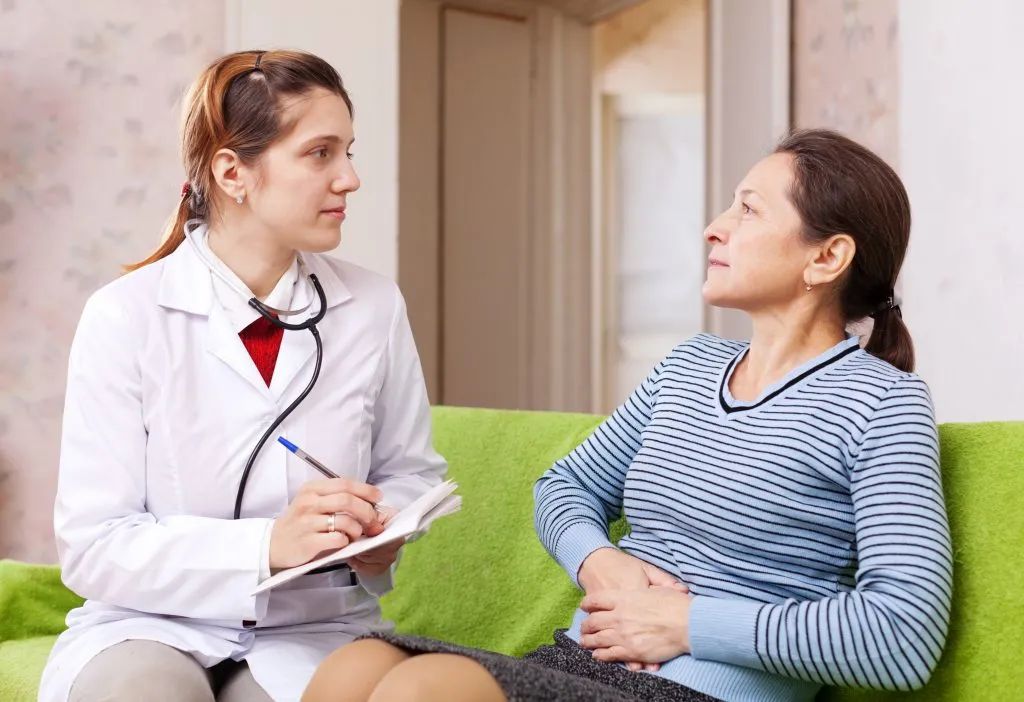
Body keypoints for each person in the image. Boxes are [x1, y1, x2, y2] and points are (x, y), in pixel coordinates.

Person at [300, 129, 953, 702]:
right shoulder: (691, 366)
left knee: (425, 691)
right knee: (351, 669)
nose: (716, 226)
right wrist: (599, 563)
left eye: (748, 210)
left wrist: (685, 623)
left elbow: (904, 634)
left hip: (701, 689)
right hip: (580, 663)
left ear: (827, 258)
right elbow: (565, 487)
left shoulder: (882, 405)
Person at [39, 49, 446, 702]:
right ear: (233, 172)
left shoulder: (373, 307)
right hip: (149, 623)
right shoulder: (126, 316)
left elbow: (410, 469)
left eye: (349, 151)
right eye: (321, 154)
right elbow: (94, 545)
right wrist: (268, 545)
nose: (350, 178)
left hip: (313, 628)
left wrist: (381, 529)